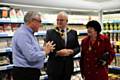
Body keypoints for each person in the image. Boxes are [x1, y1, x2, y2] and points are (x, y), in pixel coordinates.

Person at [12, 11, 55, 80]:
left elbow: (33, 49)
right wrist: (45, 52)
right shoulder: (23, 34)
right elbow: (31, 56)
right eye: (39, 21)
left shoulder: (29, 33)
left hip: (29, 72)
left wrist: (43, 49)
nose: (40, 24)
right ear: (32, 21)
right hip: (25, 73)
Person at [45, 11, 80, 80]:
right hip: (54, 68)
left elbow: (78, 47)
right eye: (57, 20)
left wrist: (71, 51)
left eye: (61, 20)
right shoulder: (50, 33)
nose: (59, 22)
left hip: (68, 68)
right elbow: (47, 49)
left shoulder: (73, 33)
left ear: (67, 21)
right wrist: (57, 53)